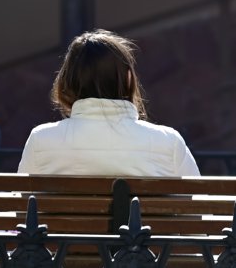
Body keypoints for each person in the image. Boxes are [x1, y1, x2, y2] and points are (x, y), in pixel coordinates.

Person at [18, 29, 200, 176]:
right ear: (128, 78)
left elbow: (22, 207)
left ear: (67, 81)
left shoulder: (41, 139)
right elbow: (196, 207)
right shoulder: (168, 142)